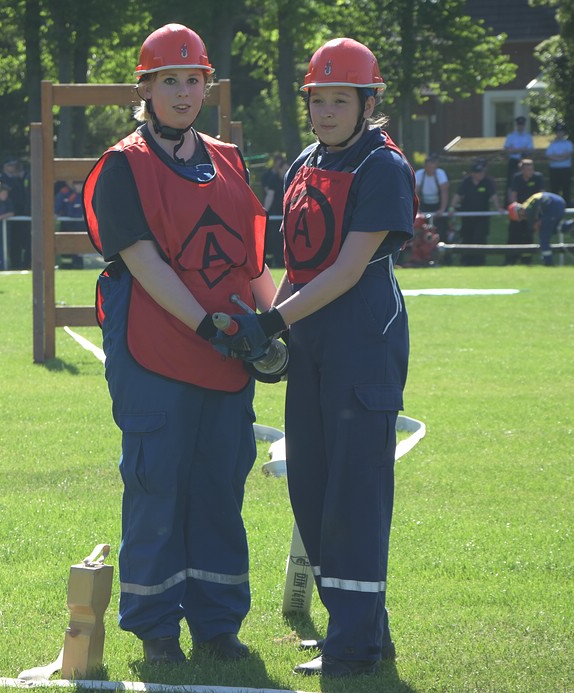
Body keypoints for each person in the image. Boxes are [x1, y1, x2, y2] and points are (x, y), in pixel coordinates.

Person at [219, 37, 416, 679]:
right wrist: (273, 330)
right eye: (317, 99)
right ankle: (358, 627)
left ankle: (355, 647)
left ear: (367, 102)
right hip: (309, 338)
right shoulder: (304, 162)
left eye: (340, 99)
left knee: (354, 493)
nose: (326, 111)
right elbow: (299, 264)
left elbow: (349, 268)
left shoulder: (383, 166)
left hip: (362, 338)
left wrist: (271, 320)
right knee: (310, 483)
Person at [82, 23, 276, 666]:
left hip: (228, 354)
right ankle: (157, 629)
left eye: (194, 80)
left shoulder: (228, 158)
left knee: (221, 486)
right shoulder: (121, 166)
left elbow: (251, 259)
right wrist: (204, 326)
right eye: (171, 81)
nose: (184, 92)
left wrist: (272, 328)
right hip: (155, 351)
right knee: (157, 486)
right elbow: (142, 261)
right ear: (147, 88)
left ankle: (219, 626)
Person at [450, 160, 501, 266]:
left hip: (482, 218)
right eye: (478, 172)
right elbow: (458, 195)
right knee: (466, 238)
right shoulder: (466, 182)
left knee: (480, 239)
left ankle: (479, 262)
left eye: (482, 172)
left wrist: (498, 208)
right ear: (473, 173)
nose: (481, 174)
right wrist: (452, 208)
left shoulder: (487, 182)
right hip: (467, 217)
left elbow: (493, 196)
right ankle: (466, 261)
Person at [509, 191, 567, 266]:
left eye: (520, 217)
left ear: (519, 211)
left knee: (543, 237)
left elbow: (535, 227)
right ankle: (568, 226)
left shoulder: (527, 210)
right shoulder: (529, 204)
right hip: (559, 202)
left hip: (553, 206)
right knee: (551, 229)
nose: (523, 218)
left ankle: (548, 262)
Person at [505, 159, 545, 265]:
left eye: (531, 169)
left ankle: (526, 261)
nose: (530, 172)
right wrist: (516, 208)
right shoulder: (516, 178)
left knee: (528, 237)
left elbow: (541, 194)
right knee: (513, 236)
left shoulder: (538, 177)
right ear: (522, 170)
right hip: (519, 212)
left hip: (532, 213)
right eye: (527, 169)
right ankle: (510, 260)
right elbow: (513, 194)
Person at [1, 160, 31, 269]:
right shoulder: (4, 179)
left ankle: (23, 264)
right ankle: (16, 264)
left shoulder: (22, 179)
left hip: (22, 214)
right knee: (14, 242)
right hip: (13, 214)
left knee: (24, 241)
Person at [414, 153, 450, 245]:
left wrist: (442, 209)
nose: (431, 170)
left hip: (438, 205)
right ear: (424, 166)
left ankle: (443, 253)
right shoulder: (419, 174)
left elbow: (444, 192)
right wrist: (417, 210)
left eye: (433, 168)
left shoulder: (440, 173)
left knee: (441, 230)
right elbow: (415, 193)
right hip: (424, 205)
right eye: (429, 167)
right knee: (421, 230)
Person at [260, 155, 286, 267]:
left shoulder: (291, 179)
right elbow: (270, 196)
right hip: (275, 214)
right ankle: (279, 262)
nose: (286, 171)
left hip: (286, 213)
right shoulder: (272, 180)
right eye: (284, 169)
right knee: (276, 238)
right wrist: (265, 211)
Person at [545, 123, 574, 202]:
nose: (560, 133)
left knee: (566, 189)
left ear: (564, 133)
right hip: (554, 169)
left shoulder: (568, 143)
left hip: (565, 169)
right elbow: (549, 155)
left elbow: (568, 154)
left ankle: (568, 206)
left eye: (561, 131)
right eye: (558, 132)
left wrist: (557, 157)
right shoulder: (552, 145)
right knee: (554, 189)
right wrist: (561, 157)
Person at [503, 115, 533, 187]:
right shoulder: (511, 136)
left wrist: (514, 150)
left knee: (526, 181)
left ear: (524, 125)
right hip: (514, 161)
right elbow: (507, 149)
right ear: (516, 125)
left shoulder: (528, 136)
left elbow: (530, 149)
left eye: (522, 125)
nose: (520, 126)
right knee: (511, 181)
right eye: (519, 125)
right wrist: (521, 149)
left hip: (525, 161)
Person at [0, 182, 14, 270]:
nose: (5, 195)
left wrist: (0, 218)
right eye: (3, 193)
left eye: (6, 193)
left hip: (4, 229)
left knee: (3, 248)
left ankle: (3, 266)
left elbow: (11, 213)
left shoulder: (9, 202)